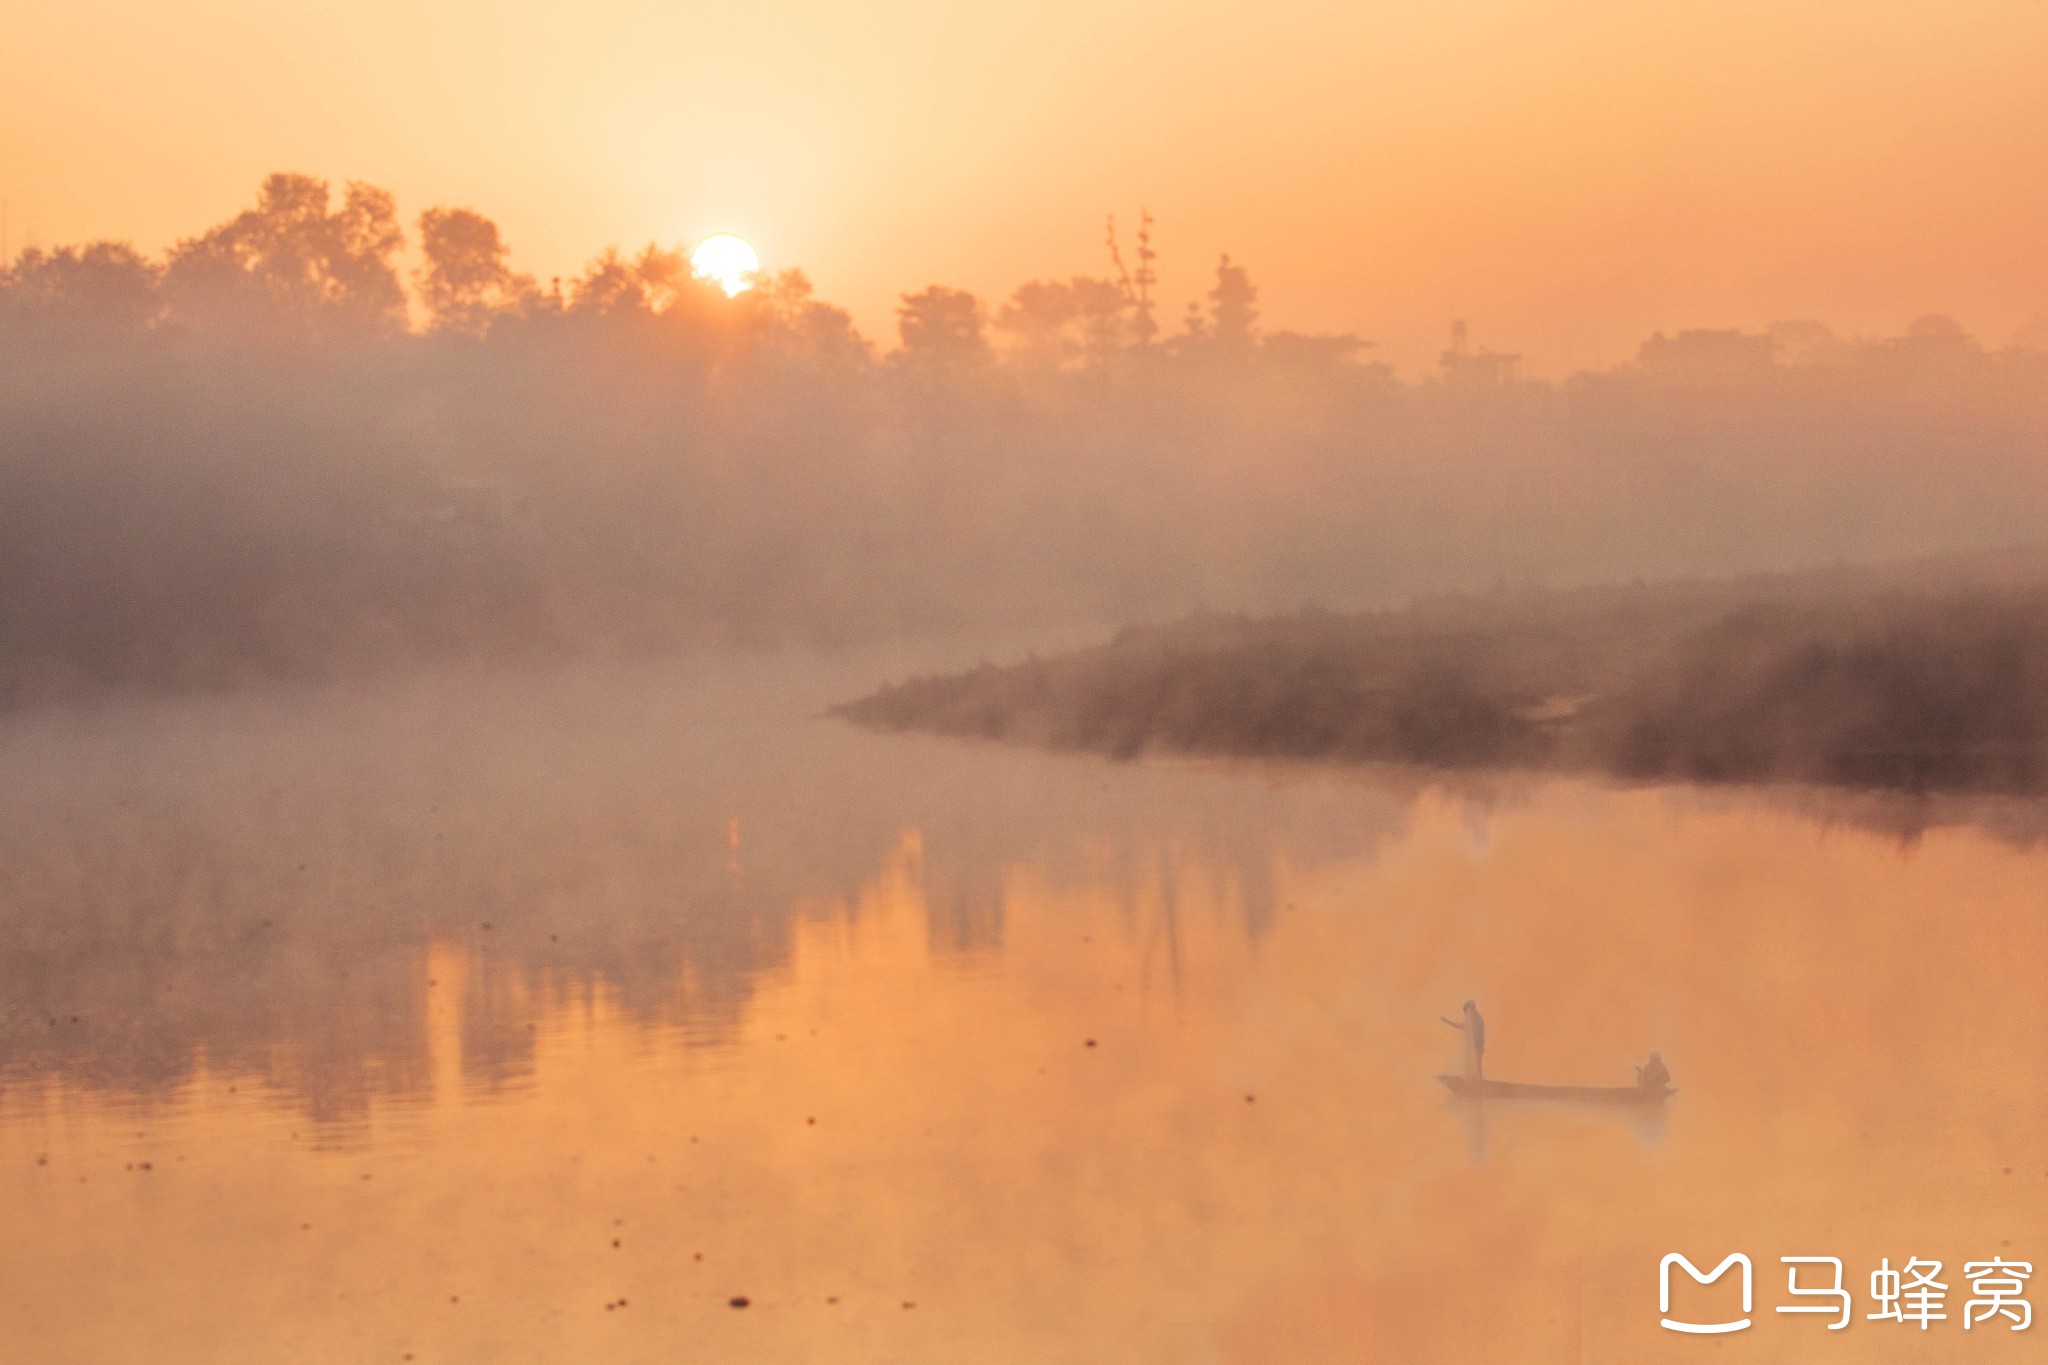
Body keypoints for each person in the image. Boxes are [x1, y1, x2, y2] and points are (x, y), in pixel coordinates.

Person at [1439, 999, 1486, 1079]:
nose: (1467, 1014)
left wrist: (1447, 1021)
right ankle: (1477, 1082)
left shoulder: (1477, 1019)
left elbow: (1465, 1027)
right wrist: (1447, 1021)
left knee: (1477, 1066)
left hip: (1478, 1045)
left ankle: (1479, 1083)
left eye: (1467, 1011)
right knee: (1476, 1066)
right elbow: (1463, 1026)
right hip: (1477, 1045)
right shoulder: (1475, 1018)